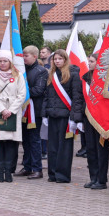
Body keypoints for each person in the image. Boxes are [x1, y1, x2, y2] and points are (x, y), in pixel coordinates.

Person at [43, 50, 83, 184]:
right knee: (52, 147)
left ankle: (63, 175)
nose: (57, 61)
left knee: (64, 148)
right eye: (55, 59)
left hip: (66, 117)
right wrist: (44, 114)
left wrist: (74, 118)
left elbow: (77, 98)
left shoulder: (73, 75)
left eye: (60, 59)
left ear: (65, 60)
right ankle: (52, 173)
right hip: (52, 116)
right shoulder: (51, 75)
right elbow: (46, 96)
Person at [0, 51, 24, 182]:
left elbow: (21, 95)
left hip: (12, 112)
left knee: (11, 143)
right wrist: (2, 109)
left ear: (10, 62)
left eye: (5, 61)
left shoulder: (18, 76)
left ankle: (9, 171)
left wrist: (11, 110)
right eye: (0, 61)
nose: (2, 63)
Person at [17, 45, 47, 179]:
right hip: (23, 110)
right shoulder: (20, 70)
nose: (24, 58)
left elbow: (39, 90)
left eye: (26, 56)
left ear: (35, 56)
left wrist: (22, 94)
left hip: (35, 111)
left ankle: (37, 169)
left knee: (34, 140)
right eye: (23, 55)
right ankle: (27, 167)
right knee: (25, 140)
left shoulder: (41, 71)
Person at [80, 54, 109, 190]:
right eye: (88, 61)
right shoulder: (86, 77)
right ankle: (93, 177)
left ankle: (101, 180)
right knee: (91, 149)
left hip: (102, 119)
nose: (89, 63)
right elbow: (81, 99)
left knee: (101, 150)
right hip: (88, 117)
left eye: (91, 61)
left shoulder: (105, 79)